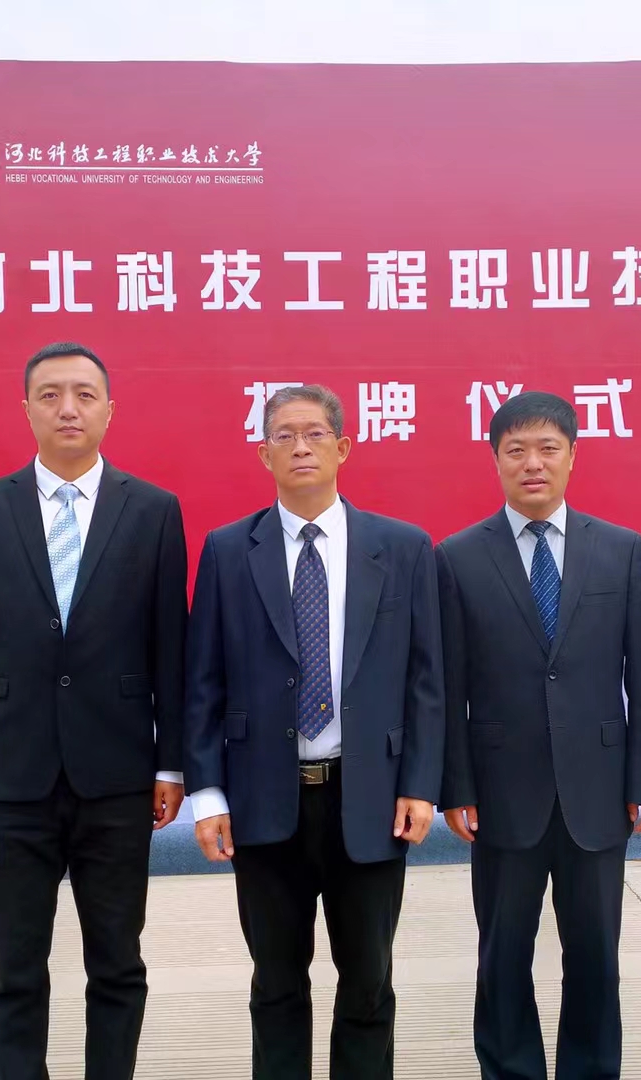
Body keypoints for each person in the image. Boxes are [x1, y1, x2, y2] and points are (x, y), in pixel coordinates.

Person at [0, 341, 188, 1080]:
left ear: (110, 409)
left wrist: (171, 762)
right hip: (11, 775)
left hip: (118, 775)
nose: (68, 408)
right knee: (13, 967)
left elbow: (170, 647)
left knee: (118, 964)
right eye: (50, 395)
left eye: (84, 394)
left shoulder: (153, 510)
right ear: (27, 410)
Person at [182, 383, 445, 1080]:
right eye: (285, 436)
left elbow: (427, 680)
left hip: (370, 798)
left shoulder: (402, 548)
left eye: (315, 434)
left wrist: (420, 784)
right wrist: (207, 794)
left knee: (368, 982)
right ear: (263, 453)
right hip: (264, 802)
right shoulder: (228, 550)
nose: (300, 447)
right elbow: (203, 680)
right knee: (275, 983)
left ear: (343, 447)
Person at [435, 390, 641, 1080]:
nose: (532, 463)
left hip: (597, 791)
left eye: (548, 448)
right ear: (496, 460)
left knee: (596, 953)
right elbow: (447, 687)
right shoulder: (457, 556)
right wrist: (456, 786)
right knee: (502, 953)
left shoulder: (620, 550)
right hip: (501, 793)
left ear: (573, 456)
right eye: (516, 450)